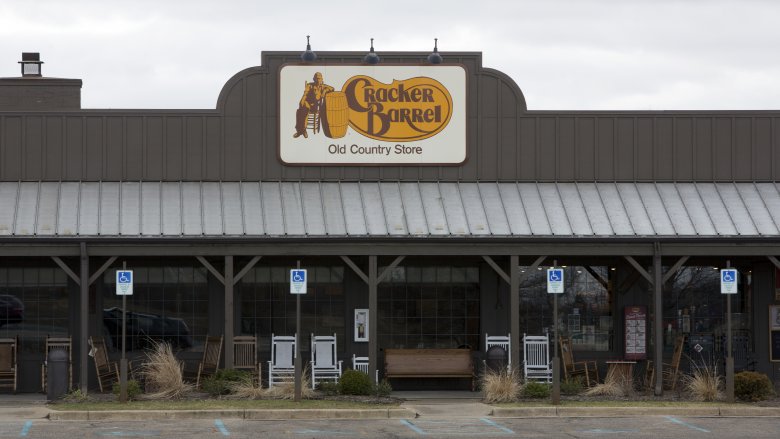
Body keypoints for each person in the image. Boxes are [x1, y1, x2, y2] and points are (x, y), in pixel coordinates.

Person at [293, 72, 334, 138]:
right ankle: (301, 130)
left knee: (303, 111)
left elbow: (332, 88)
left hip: (316, 107)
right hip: (308, 104)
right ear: (314, 79)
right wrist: (302, 101)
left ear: (322, 79)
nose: (318, 80)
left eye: (319, 78)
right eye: (317, 78)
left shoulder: (323, 86)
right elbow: (305, 94)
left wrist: (325, 91)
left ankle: (302, 131)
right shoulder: (310, 85)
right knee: (300, 110)